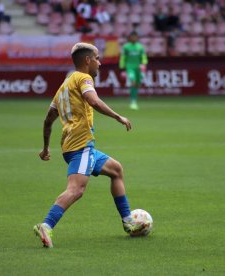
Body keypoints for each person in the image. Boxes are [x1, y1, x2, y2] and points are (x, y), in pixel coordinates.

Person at [33, 42, 142, 248]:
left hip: (75, 146)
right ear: (87, 60)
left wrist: (46, 148)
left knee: (116, 170)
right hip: (80, 145)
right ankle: (46, 225)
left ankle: (129, 222)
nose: (100, 63)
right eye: (97, 58)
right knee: (76, 190)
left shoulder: (64, 86)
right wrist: (118, 116)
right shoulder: (84, 78)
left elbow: (48, 121)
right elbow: (93, 101)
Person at [119, 31, 148, 110]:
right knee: (133, 82)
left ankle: (133, 97)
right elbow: (123, 57)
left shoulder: (140, 47)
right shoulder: (126, 47)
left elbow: (143, 57)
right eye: (132, 37)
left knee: (137, 85)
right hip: (130, 67)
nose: (134, 38)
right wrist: (122, 67)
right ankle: (133, 101)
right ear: (129, 38)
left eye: (135, 37)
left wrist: (143, 63)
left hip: (138, 67)